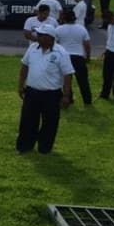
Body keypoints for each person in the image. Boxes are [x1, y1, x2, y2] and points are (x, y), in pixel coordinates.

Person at [16, 24, 74, 154]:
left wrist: (66, 95)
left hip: (51, 94)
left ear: (50, 38)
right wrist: (21, 85)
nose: (38, 37)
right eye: (38, 35)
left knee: (50, 122)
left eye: (41, 35)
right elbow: (24, 66)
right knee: (27, 120)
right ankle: (24, 146)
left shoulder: (61, 53)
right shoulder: (32, 48)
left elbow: (67, 74)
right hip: (32, 91)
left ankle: (45, 148)